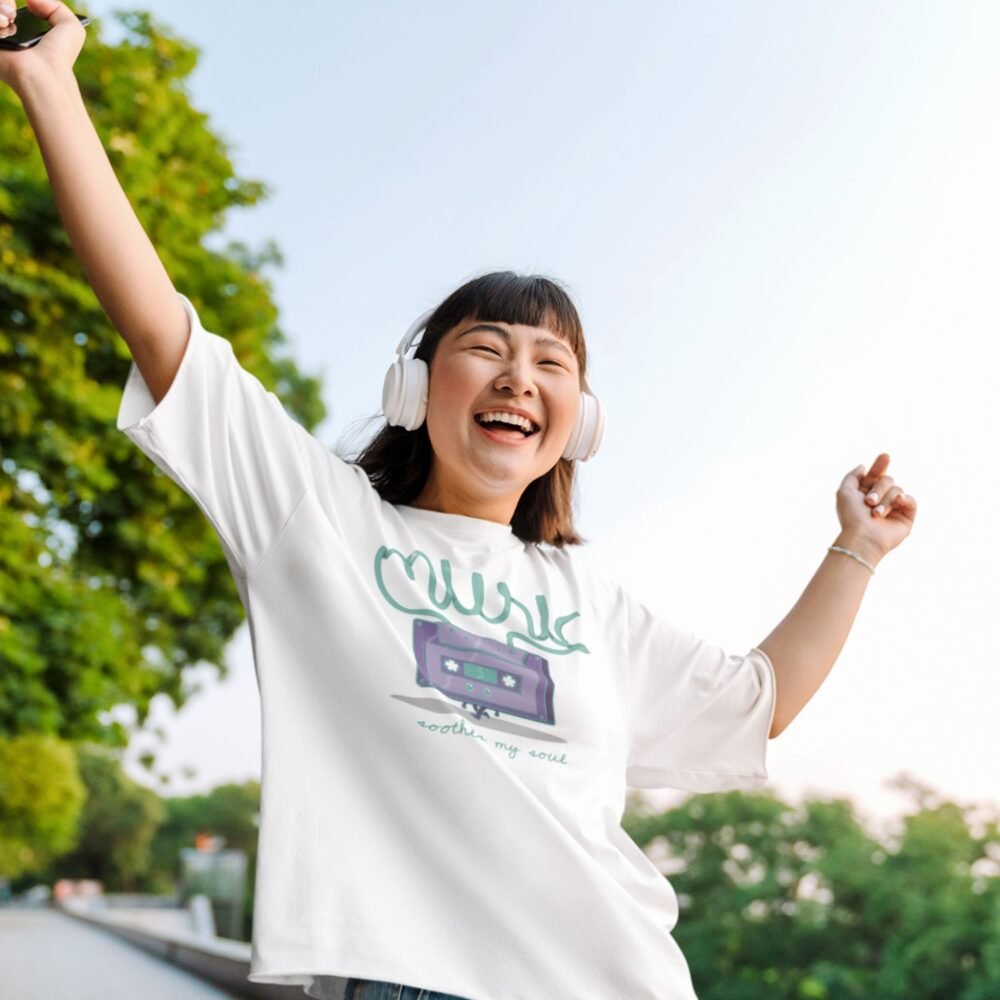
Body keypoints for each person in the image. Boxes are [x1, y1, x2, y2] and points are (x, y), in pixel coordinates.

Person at [3, 4, 918, 998]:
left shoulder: (586, 599)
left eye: (550, 361)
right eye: (487, 346)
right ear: (414, 387)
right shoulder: (315, 517)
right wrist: (46, 81)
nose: (518, 376)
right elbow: (161, 324)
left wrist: (856, 552)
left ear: (579, 418)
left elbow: (757, 700)